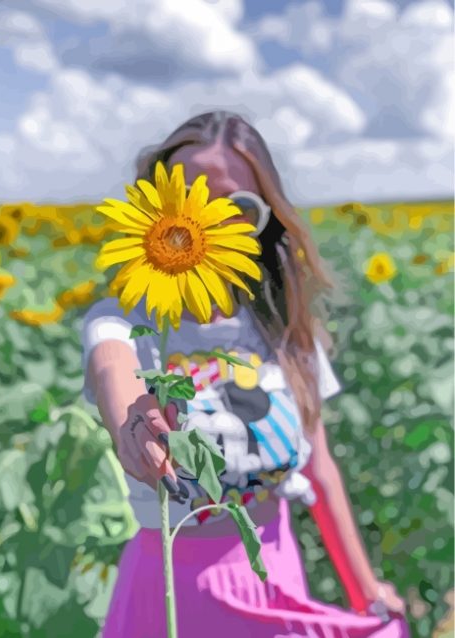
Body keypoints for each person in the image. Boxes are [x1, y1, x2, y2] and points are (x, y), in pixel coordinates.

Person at [81, 111, 410, 637]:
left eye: (233, 207)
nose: (201, 224)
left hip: (274, 575)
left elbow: (320, 472)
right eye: (186, 198)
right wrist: (131, 425)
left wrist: (366, 592)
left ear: (261, 223)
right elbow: (112, 366)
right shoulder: (126, 321)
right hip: (169, 590)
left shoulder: (283, 332)